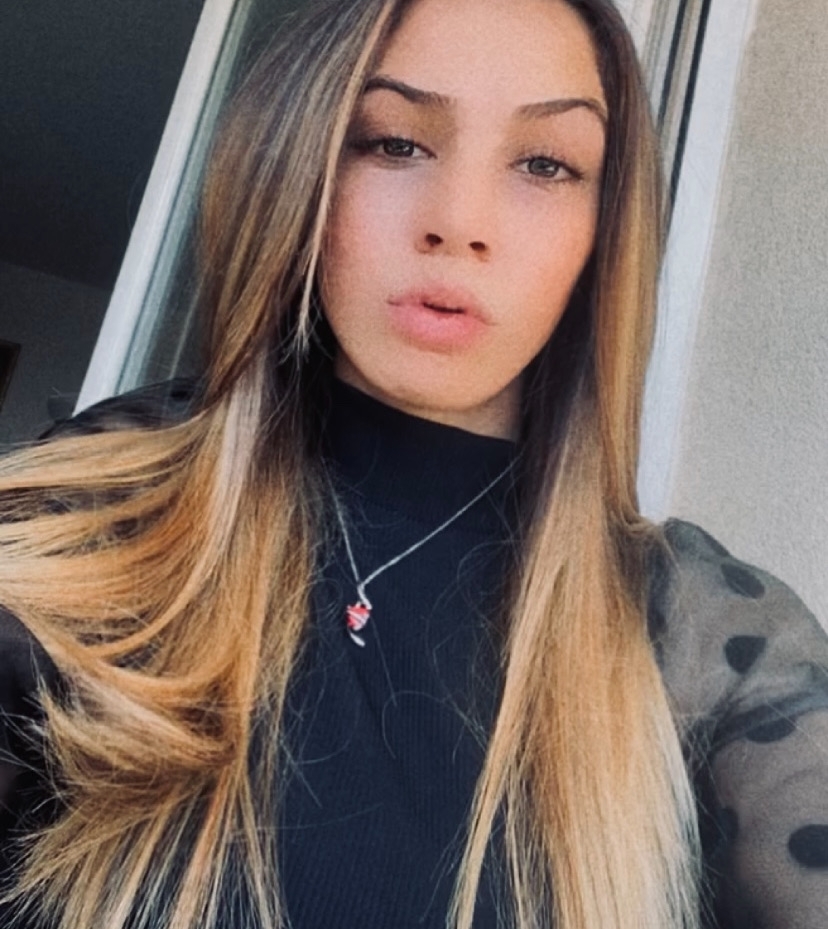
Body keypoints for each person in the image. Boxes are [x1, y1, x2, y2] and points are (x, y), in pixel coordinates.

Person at [1, 0, 827, 927]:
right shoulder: (95, 509)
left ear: (605, 231)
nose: (458, 223)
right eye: (393, 143)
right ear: (303, 166)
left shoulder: (702, 637)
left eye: (545, 164)